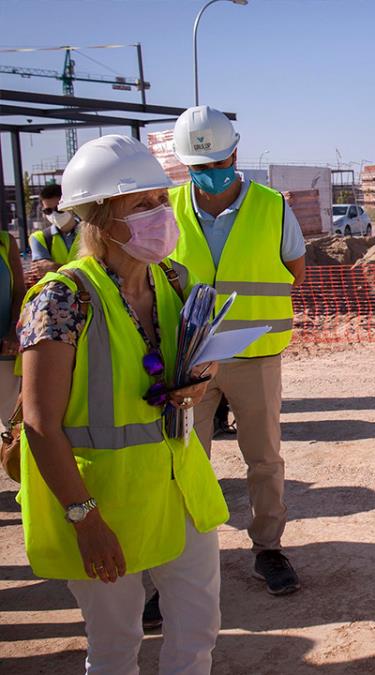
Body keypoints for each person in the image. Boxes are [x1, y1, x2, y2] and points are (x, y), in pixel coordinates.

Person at [16, 134, 229, 674]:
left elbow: (200, 361)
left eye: (161, 201)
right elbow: (40, 424)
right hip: (103, 500)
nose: (161, 214)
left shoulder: (174, 280)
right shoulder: (62, 298)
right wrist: (85, 520)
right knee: (116, 642)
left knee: (198, 626)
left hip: (181, 485)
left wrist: (200, 382)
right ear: (100, 218)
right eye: (141, 205)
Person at [165, 104, 306, 596]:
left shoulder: (272, 205)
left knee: (264, 457)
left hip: (257, 353)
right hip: (189, 360)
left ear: (235, 154)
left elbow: (295, 272)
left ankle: (268, 548)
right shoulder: (166, 208)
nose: (208, 176)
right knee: (184, 458)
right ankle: (181, 559)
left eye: (216, 164)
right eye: (198, 168)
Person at [0, 224, 26, 427]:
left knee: (12, 425)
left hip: (4, 351)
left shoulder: (6, 242)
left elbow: (19, 291)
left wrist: (13, 331)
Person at [30, 183, 82, 275]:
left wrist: (55, 267)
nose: (54, 214)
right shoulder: (39, 238)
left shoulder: (92, 232)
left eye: (58, 209)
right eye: (48, 211)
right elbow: (42, 272)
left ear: (70, 206)